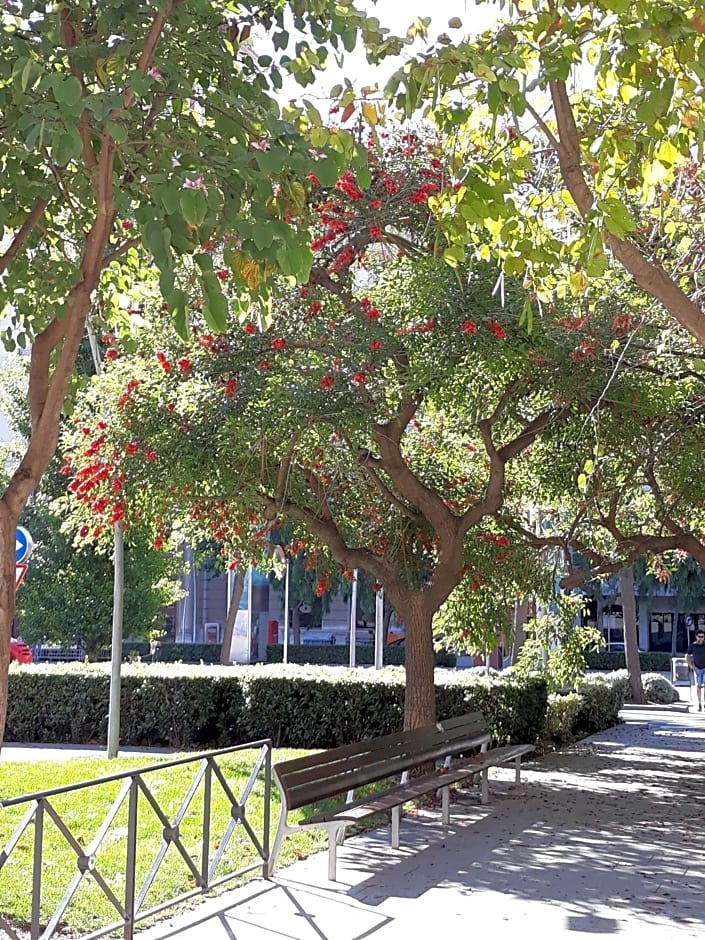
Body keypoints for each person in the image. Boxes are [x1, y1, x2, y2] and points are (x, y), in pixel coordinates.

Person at [686, 629, 705, 711]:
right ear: (696, 637)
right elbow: (687, 655)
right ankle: (699, 704)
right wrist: (691, 665)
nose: (701, 638)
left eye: (702, 636)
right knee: (698, 687)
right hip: (697, 669)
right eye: (699, 636)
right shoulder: (692, 646)